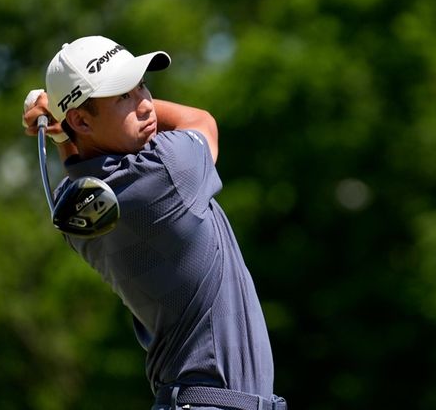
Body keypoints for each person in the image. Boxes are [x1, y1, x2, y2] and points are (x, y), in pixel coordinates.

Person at [21, 35, 286, 410]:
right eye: (123, 97)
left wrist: (65, 127)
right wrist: (62, 125)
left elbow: (81, 161)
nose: (145, 104)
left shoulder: (74, 211)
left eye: (142, 85)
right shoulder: (164, 173)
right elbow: (200, 120)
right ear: (81, 118)